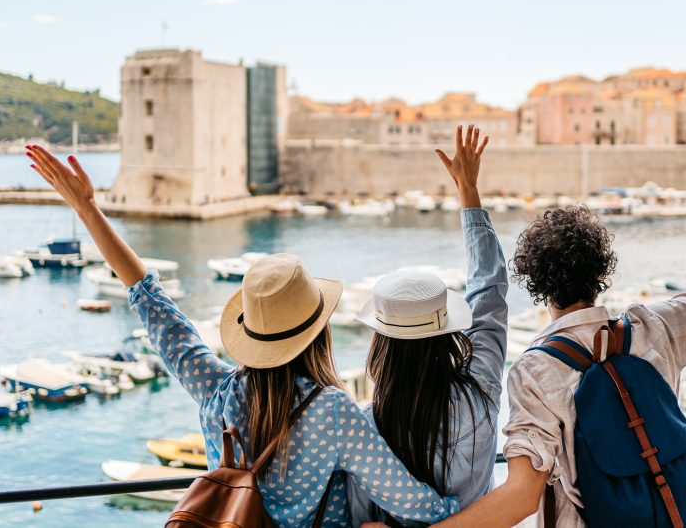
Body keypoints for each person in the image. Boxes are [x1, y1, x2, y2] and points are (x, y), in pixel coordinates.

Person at [25, 145, 459, 527]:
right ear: (318, 333)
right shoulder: (332, 411)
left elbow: (152, 304)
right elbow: (410, 501)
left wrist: (88, 211)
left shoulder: (215, 389)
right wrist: (473, 506)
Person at [408, 174, 686, 528]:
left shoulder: (534, 371)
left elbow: (522, 495)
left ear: (537, 284)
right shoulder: (652, 327)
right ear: (601, 272)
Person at [349, 125, 508, 525]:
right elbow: (489, 288)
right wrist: (468, 192)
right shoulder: (482, 389)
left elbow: (361, 519)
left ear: (382, 343)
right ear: (446, 331)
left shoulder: (367, 428)